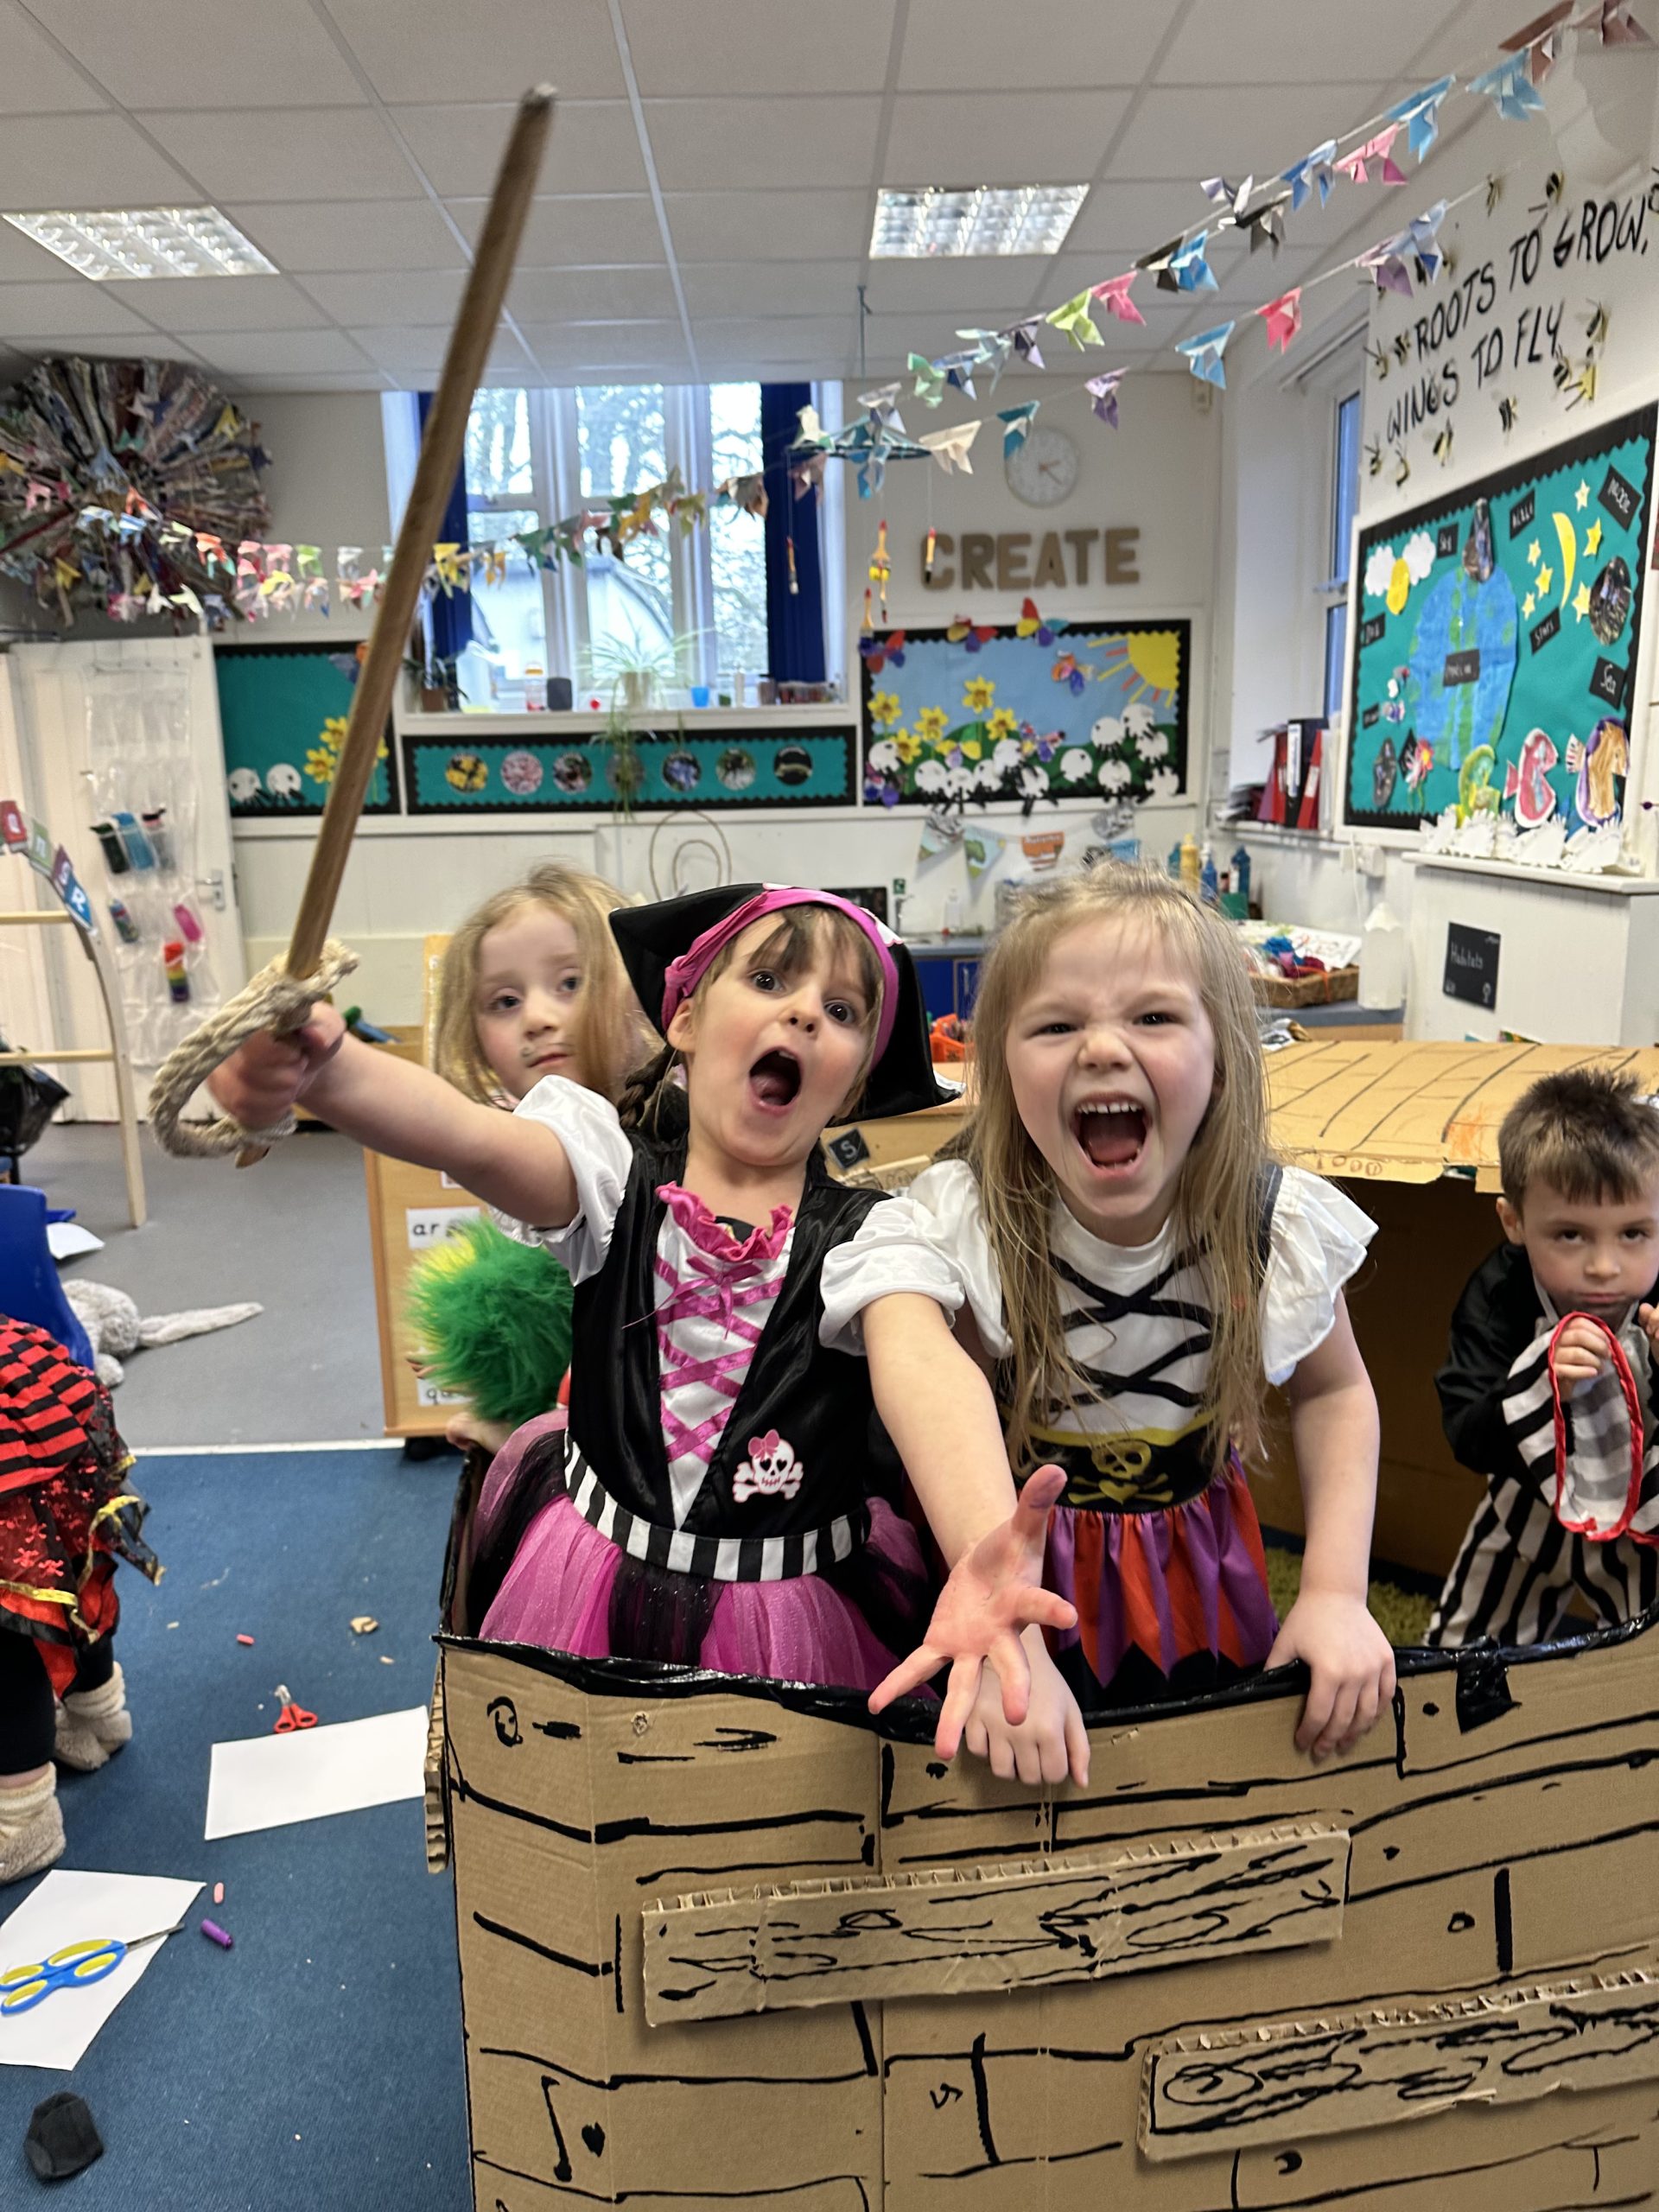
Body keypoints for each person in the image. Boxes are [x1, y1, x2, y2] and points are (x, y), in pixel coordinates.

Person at [207, 885, 1069, 1714]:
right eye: (769, 980)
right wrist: (324, 1066)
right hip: (592, 1571)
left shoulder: (876, 1238)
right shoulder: (609, 1179)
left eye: (843, 1011)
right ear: (686, 1017)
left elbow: (925, 1366)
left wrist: (987, 1564)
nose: (806, 1011)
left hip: (798, 1609)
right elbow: (468, 1134)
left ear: (851, 1082)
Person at [823, 865, 1395, 1785]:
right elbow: (913, 1349)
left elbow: (1335, 1390)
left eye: (1154, 1017)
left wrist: (1333, 1591)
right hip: (1008, 1566)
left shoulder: (1268, 1223)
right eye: (1056, 1025)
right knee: (1003, 1785)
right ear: (1000, 1062)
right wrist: (1001, 1598)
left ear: (1226, 1050)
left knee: (1196, 1767)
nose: (1101, 1048)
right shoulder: (965, 1215)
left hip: (1193, 1564)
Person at [411, 861, 644, 1459]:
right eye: (505, 1001)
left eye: (571, 983)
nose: (539, 1017)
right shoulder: (537, 1122)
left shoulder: (663, 1131)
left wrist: (329, 1069)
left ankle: (529, 1443)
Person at [1428, 1066, 1659, 1647]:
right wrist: (1534, 1387)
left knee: (1643, 1671)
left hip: (1643, 1524)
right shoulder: (1497, 1297)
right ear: (1515, 1222)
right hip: (1523, 1507)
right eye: (1571, 1236)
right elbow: (1463, 1425)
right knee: (1457, 1657)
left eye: (1634, 1234)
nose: (1604, 1266)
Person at [0, 1318, 158, 1884]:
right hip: (30, 1385)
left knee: (9, 1624)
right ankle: (98, 1716)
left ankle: (22, 1820)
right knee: (71, 1563)